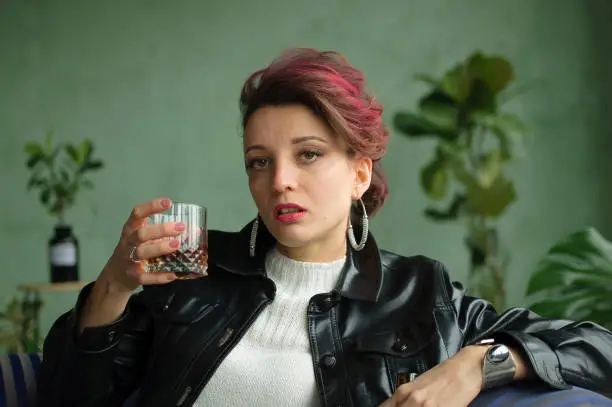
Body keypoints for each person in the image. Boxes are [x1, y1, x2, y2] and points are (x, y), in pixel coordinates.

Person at [37, 48, 612, 407]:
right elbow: (67, 397)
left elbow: (599, 349)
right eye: (259, 161)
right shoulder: (195, 271)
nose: (280, 181)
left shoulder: (419, 294)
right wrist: (113, 284)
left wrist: (476, 363)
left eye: (308, 154)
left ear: (360, 173)